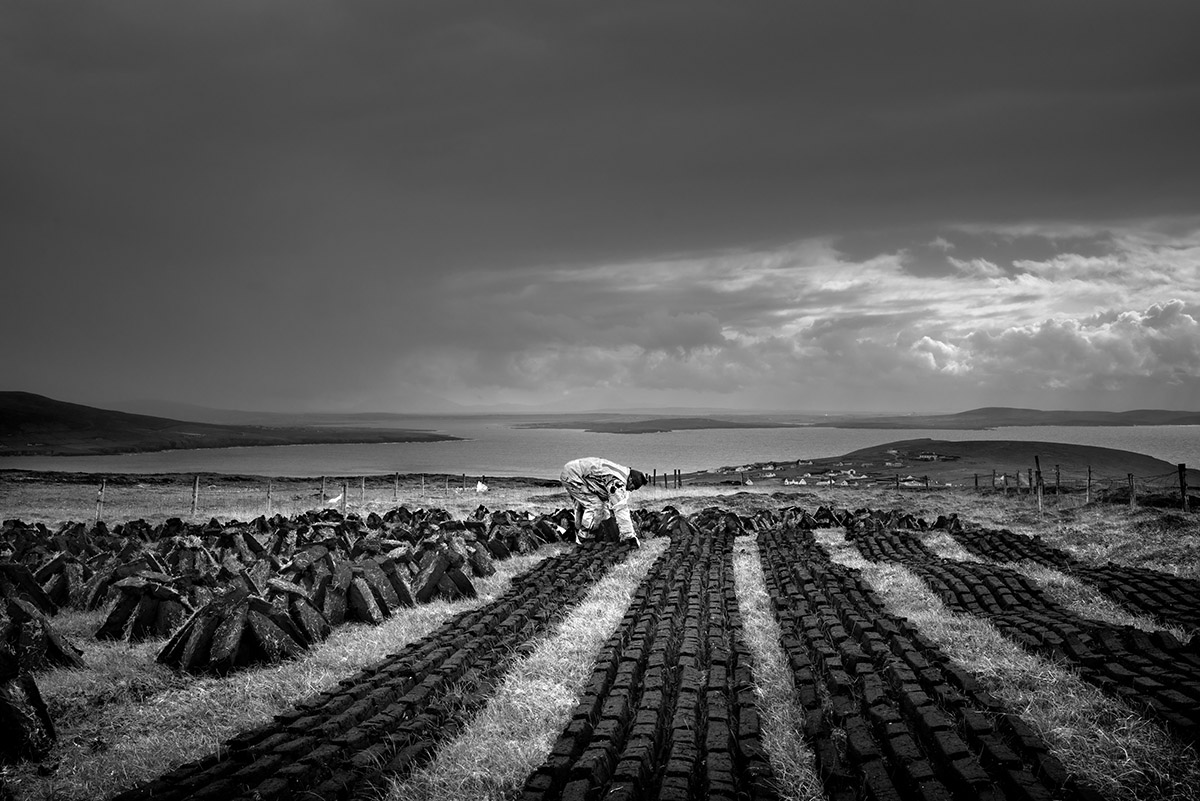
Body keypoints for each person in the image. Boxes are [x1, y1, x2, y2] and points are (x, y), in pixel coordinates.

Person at [559, 457, 648, 547]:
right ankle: (584, 538)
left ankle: (580, 531)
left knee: (583, 507)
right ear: (631, 480)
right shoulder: (617, 481)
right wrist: (629, 535)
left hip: (575, 473)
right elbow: (620, 507)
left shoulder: (619, 472)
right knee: (595, 506)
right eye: (633, 487)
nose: (631, 490)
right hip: (574, 476)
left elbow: (606, 498)